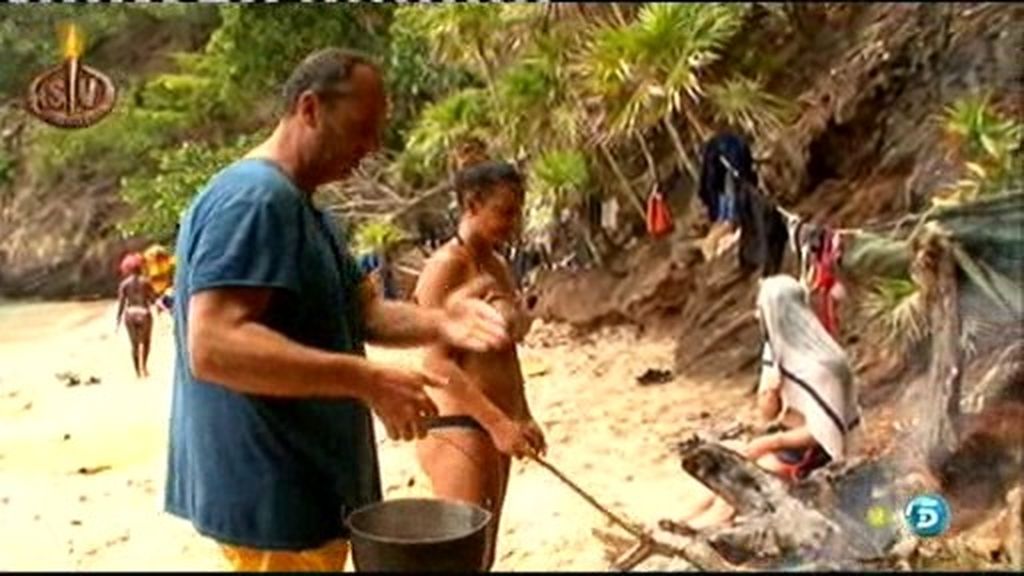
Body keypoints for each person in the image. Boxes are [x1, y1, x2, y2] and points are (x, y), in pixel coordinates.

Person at [164, 48, 513, 573]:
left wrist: (441, 321)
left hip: (309, 496)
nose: (370, 147)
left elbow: (364, 312)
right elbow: (214, 345)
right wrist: (364, 379)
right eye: (360, 128)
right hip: (272, 503)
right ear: (309, 108)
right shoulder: (253, 200)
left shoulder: (307, 209)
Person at [412, 159, 546, 570]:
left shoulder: (499, 265)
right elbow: (438, 365)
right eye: (504, 211)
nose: (513, 222)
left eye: (517, 211)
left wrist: (522, 414)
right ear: (472, 204)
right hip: (459, 425)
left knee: (483, 558)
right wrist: (497, 423)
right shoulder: (445, 266)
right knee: (459, 559)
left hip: (495, 425)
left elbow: (507, 354)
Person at [675, 274, 861, 531]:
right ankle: (684, 519)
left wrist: (770, 443)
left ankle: (710, 524)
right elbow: (768, 414)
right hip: (783, 437)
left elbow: (825, 432)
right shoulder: (777, 351)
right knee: (722, 460)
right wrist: (769, 391)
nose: (756, 316)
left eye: (761, 309)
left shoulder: (824, 366)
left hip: (810, 453)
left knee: (743, 473)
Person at [115, 252, 157, 378]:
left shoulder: (124, 284)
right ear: (141, 267)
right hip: (144, 312)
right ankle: (144, 367)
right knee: (146, 342)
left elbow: (122, 303)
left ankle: (137, 372)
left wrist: (118, 319)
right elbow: (153, 299)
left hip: (130, 313)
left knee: (134, 344)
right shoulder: (146, 282)